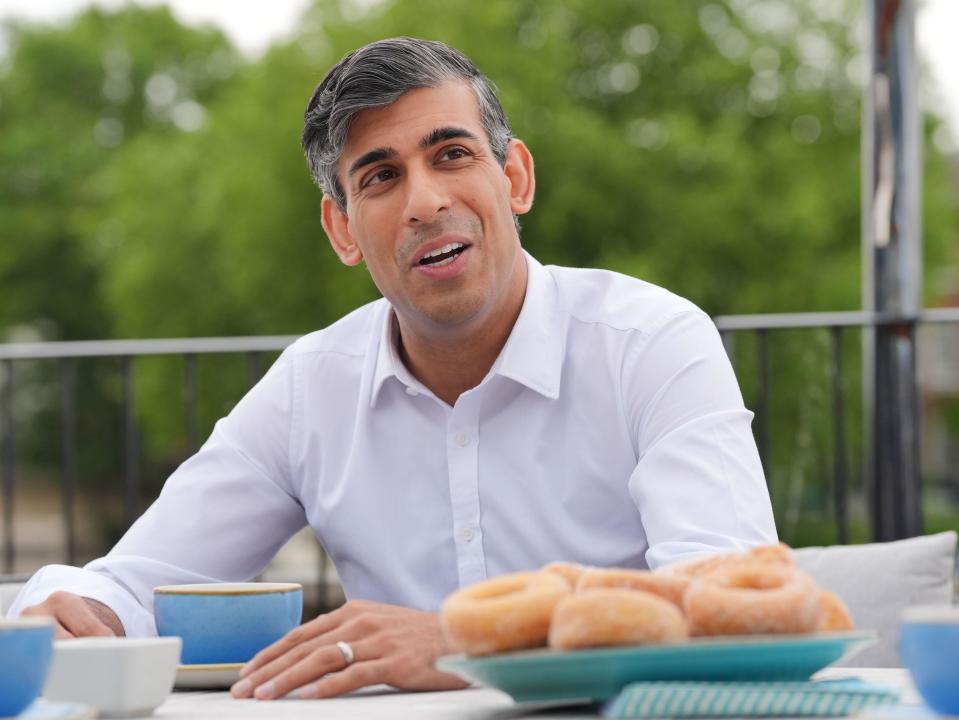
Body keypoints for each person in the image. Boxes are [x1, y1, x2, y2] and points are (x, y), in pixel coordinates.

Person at [8, 37, 777, 700]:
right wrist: (78, 611)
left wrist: (465, 640)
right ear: (341, 228)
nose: (425, 200)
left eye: (452, 154)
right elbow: (140, 577)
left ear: (514, 179)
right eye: (380, 176)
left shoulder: (652, 342)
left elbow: (731, 609)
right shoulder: (312, 386)